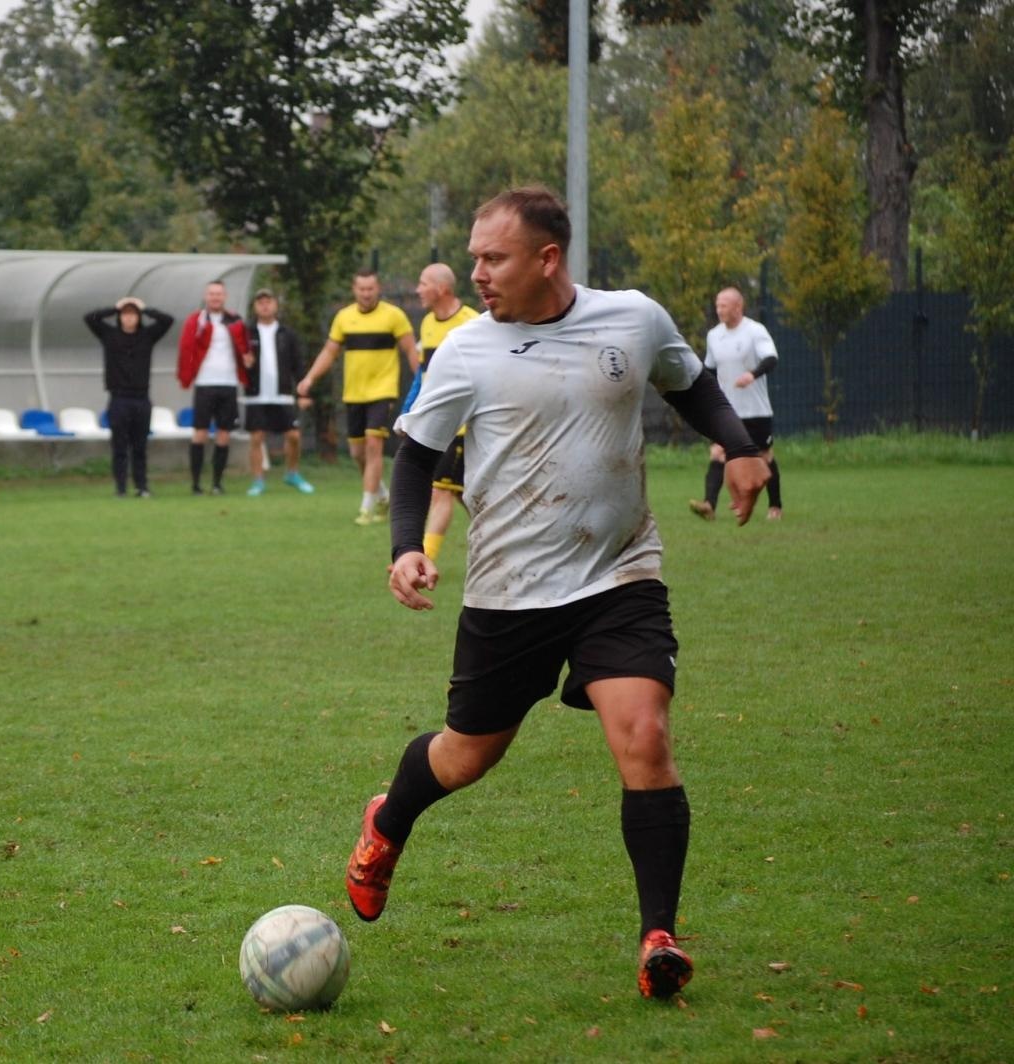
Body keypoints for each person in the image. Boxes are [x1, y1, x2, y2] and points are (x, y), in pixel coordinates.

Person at [346, 186, 769, 1001]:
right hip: (509, 592)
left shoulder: (633, 319)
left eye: (493, 258)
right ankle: (387, 820)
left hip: (619, 576)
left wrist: (741, 445)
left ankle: (659, 937)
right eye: (473, 257)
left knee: (645, 737)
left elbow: (689, 384)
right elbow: (415, 455)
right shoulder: (465, 351)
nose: (477, 274)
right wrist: (405, 548)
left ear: (547, 259)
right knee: (466, 756)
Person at [297, 270, 419, 525]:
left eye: (370, 288)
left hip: (383, 391)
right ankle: (382, 495)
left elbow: (410, 350)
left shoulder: (394, 316)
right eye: (362, 289)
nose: (366, 293)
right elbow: (329, 352)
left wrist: (423, 384)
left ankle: (366, 508)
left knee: (374, 444)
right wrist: (309, 379)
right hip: (354, 393)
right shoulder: (344, 317)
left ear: (378, 288)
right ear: (354, 290)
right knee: (357, 453)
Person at [690, 286, 783, 521]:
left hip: (756, 410)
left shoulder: (755, 331)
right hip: (726, 410)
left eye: (724, 305)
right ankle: (709, 505)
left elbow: (771, 358)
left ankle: (775, 506)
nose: (719, 310)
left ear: (738, 306)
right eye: (717, 305)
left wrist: (752, 375)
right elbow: (710, 369)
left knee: (763, 456)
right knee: (718, 453)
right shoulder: (714, 335)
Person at [406, 263, 480, 559]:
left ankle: (424, 556)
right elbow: (424, 374)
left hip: (460, 424)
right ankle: (505, 542)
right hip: (436, 423)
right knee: (464, 495)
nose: (418, 290)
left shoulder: (472, 323)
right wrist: (411, 410)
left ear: (442, 289)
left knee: (441, 490)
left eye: (423, 283)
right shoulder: (426, 323)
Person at [84, 296, 175, 497]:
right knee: (119, 446)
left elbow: (167, 320)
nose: (129, 318)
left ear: (139, 317)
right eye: (125, 314)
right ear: (120, 317)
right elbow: (90, 318)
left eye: (133, 314)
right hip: (119, 398)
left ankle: (142, 486)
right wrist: (114, 307)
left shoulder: (147, 336)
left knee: (139, 446)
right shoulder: (109, 335)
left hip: (141, 398)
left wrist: (146, 308)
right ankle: (121, 488)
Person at [177, 280, 251, 495]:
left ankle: (217, 483)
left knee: (224, 434)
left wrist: (247, 361)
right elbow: (186, 348)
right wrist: (185, 376)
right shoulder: (196, 320)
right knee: (200, 433)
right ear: (206, 296)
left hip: (228, 383)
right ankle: (196, 484)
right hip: (204, 383)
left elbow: (245, 348)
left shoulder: (235, 320)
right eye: (211, 294)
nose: (215, 298)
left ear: (225, 297)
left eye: (219, 294)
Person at [242, 288, 314, 496]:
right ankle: (257, 481)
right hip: (256, 395)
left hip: (282, 394)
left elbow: (298, 364)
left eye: (269, 301)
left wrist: (303, 393)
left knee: (293, 436)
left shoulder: (287, 334)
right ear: (255, 307)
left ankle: (292, 473)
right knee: (257, 438)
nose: (265, 306)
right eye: (260, 302)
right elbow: (239, 362)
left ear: (275, 305)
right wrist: (245, 364)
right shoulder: (247, 334)